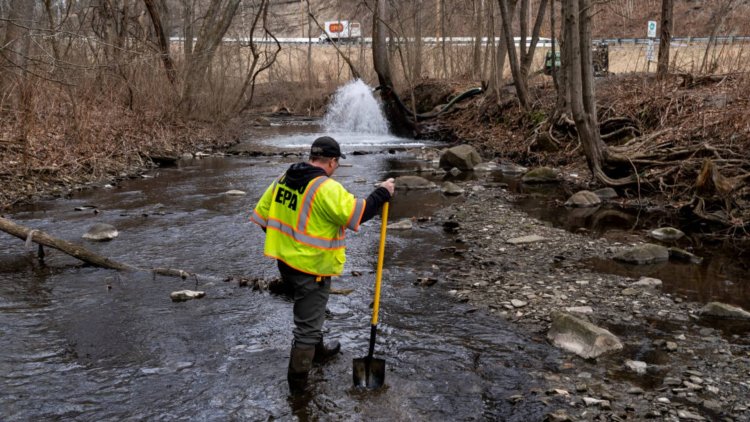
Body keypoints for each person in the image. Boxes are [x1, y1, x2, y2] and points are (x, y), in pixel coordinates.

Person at [250, 136, 395, 394]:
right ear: (332, 161)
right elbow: (358, 214)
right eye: (336, 163)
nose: (336, 167)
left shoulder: (285, 177)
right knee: (306, 328)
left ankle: (319, 353)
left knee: (312, 312)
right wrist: (383, 192)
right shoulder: (326, 188)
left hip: (286, 264)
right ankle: (298, 390)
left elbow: (262, 217)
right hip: (311, 269)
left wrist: (289, 245)